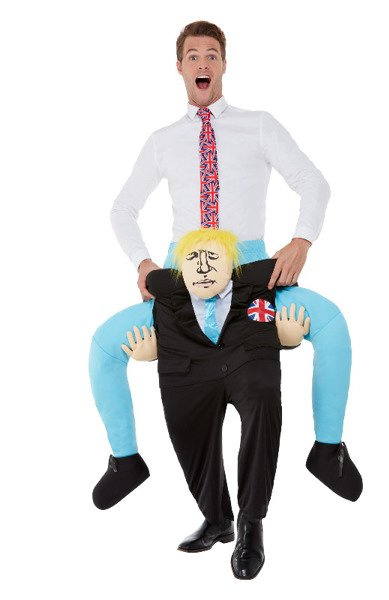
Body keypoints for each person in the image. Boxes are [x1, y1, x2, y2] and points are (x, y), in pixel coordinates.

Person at [89, 18, 362, 566]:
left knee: (328, 327)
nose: (203, 63)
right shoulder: (163, 141)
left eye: (211, 55)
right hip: (181, 286)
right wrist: (144, 263)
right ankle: (136, 467)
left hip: (250, 278)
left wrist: (301, 241)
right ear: (179, 67)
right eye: (193, 55)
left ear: (224, 65)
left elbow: (314, 182)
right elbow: (122, 209)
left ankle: (323, 455)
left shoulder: (258, 126)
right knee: (104, 348)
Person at [117, 228, 311, 579]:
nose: (204, 267)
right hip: (188, 361)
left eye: (212, 260)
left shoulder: (254, 282)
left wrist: (303, 240)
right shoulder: (168, 293)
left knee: (262, 400)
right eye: (194, 260)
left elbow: (301, 315)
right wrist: (141, 261)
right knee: (186, 428)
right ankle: (217, 519)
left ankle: (251, 522)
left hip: (245, 349)